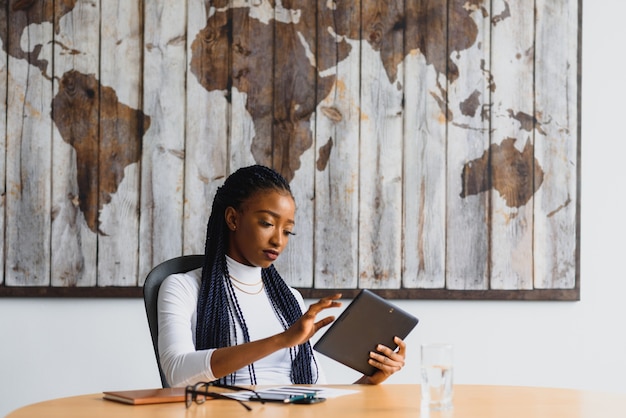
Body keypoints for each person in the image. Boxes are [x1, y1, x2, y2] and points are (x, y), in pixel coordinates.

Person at [157, 164, 406, 387]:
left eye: (287, 231)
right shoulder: (183, 288)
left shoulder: (288, 300)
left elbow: (315, 392)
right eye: (267, 223)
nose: (278, 240)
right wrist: (282, 340)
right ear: (233, 218)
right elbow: (177, 373)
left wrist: (369, 381)